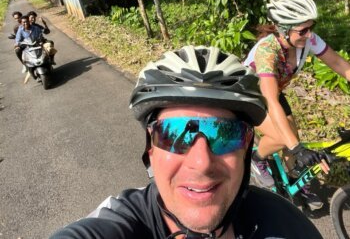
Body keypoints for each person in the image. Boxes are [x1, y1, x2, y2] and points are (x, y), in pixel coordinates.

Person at [49, 45, 323, 239]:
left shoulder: (284, 223)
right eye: (175, 133)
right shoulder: (120, 222)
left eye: (224, 134)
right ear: (150, 149)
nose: (201, 163)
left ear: (246, 149)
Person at [244, 0, 348, 209]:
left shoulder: (307, 39)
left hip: (274, 91)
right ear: (283, 30)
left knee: (293, 135)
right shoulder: (267, 51)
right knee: (285, 139)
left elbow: (341, 66)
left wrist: (296, 144)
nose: (310, 35)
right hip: (251, 94)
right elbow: (270, 100)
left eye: (312, 27)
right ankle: (257, 158)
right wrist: (296, 147)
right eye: (303, 30)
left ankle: (295, 179)